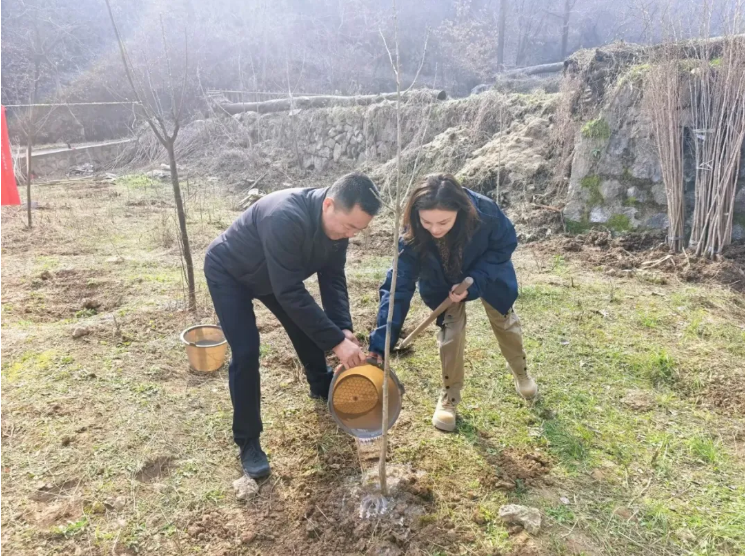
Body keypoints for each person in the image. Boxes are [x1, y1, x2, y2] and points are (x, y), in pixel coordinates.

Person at [205, 172, 381, 478]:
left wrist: (343, 328)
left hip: (274, 275)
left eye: (359, 229)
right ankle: (248, 441)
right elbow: (288, 291)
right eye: (349, 226)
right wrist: (336, 343)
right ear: (328, 204)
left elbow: (333, 279)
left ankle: (320, 383)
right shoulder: (284, 216)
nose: (351, 235)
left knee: (306, 324)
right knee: (246, 351)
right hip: (230, 271)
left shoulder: (339, 232)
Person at [368, 174, 537, 432]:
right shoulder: (413, 232)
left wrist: (475, 280)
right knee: (451, 333)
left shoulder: (485, 213)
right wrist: (383, 340)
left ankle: (522, 374)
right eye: (427, 222)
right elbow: (398, 284)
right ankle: (450, 396)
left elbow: (504, 245)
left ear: (460, 210)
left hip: (488, 274)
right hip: (442, 281)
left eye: (443, 222)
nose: (435, 230)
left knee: (504, 322)